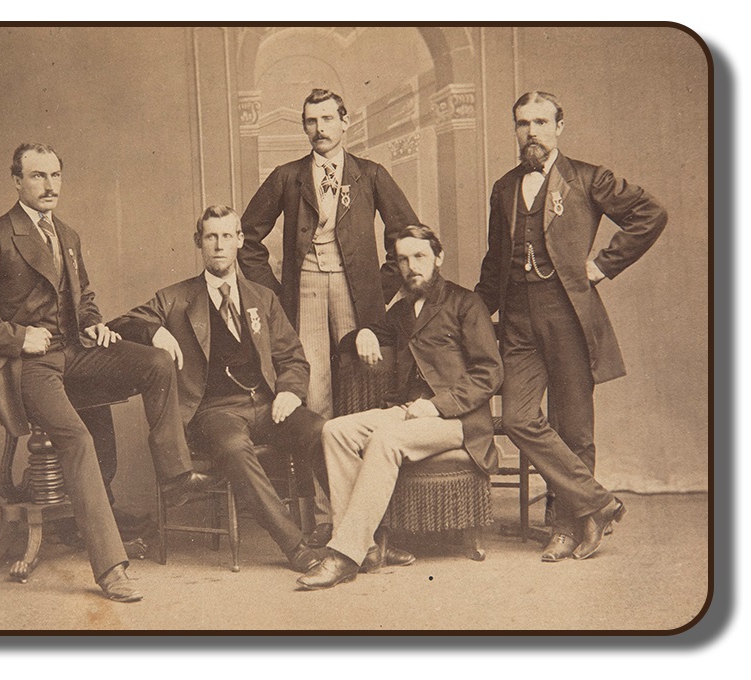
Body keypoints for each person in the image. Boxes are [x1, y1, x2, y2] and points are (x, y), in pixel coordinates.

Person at [0, 142, 215, 602]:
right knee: (79, 438)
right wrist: (16, 336)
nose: (49, 186)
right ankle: (111, 569)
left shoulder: (66, 234)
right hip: (28, 365)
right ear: (16, 181)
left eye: (55, 176)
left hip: (74, 352)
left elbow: (83, 296)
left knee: (154, 361)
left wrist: (91, 324)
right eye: (37, 176)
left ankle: (175, 474)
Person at [475, 92, 667, 561]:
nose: (532, 132)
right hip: (517, 318)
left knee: (574, 426)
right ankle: (599, 505)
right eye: (523, 123)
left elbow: (651, 215)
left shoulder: (587, 177)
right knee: (520, 417)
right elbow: (494, 260)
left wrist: (602, 266)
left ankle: (567, 525)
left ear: (560, 126)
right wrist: (472, 313)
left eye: (541, 122)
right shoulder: (503, 187)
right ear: (515, 129)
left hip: (568, 315)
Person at [108, 205, 327, 573]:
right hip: (213, 413)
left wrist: (290, 391)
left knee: (320, 429)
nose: (220, 245)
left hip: (266, 405)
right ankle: (297, 547)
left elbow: (292, 357)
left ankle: (354, 536)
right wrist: (155, 330)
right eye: (211, 237)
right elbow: (123, 323)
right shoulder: (174, 298)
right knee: (234, 447)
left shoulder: (263, 298)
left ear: (240, 240)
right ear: (199, 242)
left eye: (227, 236)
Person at [297, 225, 502, 590]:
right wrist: (363, 333)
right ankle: (370, 546)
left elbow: (490, 373)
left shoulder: (466, 303)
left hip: (459, 420)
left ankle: (345, 554)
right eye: (403, 259)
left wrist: (438, 406)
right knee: (334, 431)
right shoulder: (402, 310)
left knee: (386, 440)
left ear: (438, 258)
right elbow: (360, 336)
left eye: (420, 256)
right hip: (409, 412)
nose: (412, 266)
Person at [239, 88, 420, 420]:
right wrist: (273, 294)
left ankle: (362, 462)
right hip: (305, 287)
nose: (319, 128)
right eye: (311, 121)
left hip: (355, 291)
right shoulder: (287, 176)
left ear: (344, 122)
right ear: (304, 127)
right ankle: (322, 467)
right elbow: (246, 237)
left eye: (327, 119)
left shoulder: (370, 174)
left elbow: (408, 234)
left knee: (359, 372)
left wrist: (378, 289)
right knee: (312, 377)